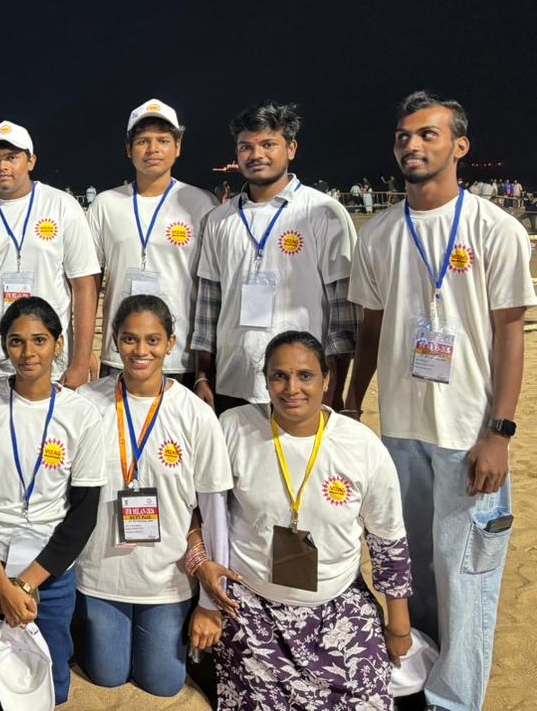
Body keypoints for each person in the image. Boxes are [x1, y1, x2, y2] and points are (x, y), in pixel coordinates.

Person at [345, 91, 535, 711]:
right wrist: (352, 405)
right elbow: (370, 330)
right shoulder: (378, 234)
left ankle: (455, 701)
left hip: (467, 434)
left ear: (460, 146)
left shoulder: (495, 228)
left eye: (428, 134)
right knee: (415, 568)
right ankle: (421, 674)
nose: (412, 145)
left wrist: (499, 432)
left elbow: (511, 333)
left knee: (467, 575)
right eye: (404, 136)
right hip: (400, 431)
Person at [189, 331, 412, 710]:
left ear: (327, 380)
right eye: (279, 376)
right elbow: (195, 509)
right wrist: (200, 564)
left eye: (305, 376)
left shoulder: (361, 446)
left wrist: (398, 627)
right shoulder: (234, 429)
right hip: (252, 612)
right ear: (265, 382)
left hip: (338, 610)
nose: (292, 388)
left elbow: (388, 543)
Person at [74, 294, 231, 697]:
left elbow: (214, 511)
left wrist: (210, 602)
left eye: (153, 340)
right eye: (129, 339)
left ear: (171, 343)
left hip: (167, 577)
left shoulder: (195, 414)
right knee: (106, 675)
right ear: (114, 341)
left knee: (163, 683)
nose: (140, 350)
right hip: (100, 574)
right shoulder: (85, 404)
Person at [0, 296, 105, 711]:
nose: (27, 352)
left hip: (48, 567)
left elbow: (83, 515)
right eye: (16, 341)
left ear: (59, 344)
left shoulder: (82, 414)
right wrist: (2, 583)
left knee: (49, 690)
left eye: (39, 340)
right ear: (4, 346)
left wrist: (25, 584)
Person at [191, 101, 357, 413]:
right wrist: (202, 375)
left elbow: (342, 312)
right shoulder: (219, 219)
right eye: (246, 147)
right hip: (232, 381)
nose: (256, 155)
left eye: (268, 144)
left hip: (300, 386)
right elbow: (208, 306)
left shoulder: (323, 213)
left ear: (291, 148)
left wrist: (333, 387)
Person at [0, 121, 99, 401]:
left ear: (31, 161)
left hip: (50, 362)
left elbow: (84, 287)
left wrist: (80, 362)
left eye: (12, 157)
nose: (2, 166)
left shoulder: (62, 207)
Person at [87, 98, 217, 388]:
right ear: (128, 148)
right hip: (120, 354)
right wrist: (85, 353)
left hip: (180, 357)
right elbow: (91, 282)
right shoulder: (105, 205)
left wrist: (204, 367)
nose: (153, 149)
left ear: (178, 147)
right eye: (143, 141)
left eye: (163, 141)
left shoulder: (200, 204)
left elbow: (210, 288)